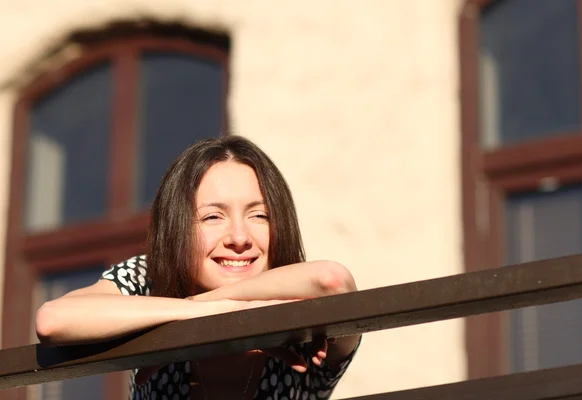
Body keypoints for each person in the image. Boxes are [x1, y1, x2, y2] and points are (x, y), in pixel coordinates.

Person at [35, 135, 361, 400]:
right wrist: (215, 311)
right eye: (212, 217)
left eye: (259, 215)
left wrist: (195, 307)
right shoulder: (151, 278)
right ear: (177, 227)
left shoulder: (302, 307)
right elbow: (53, 320)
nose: (238, 237)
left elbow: (332, 280)